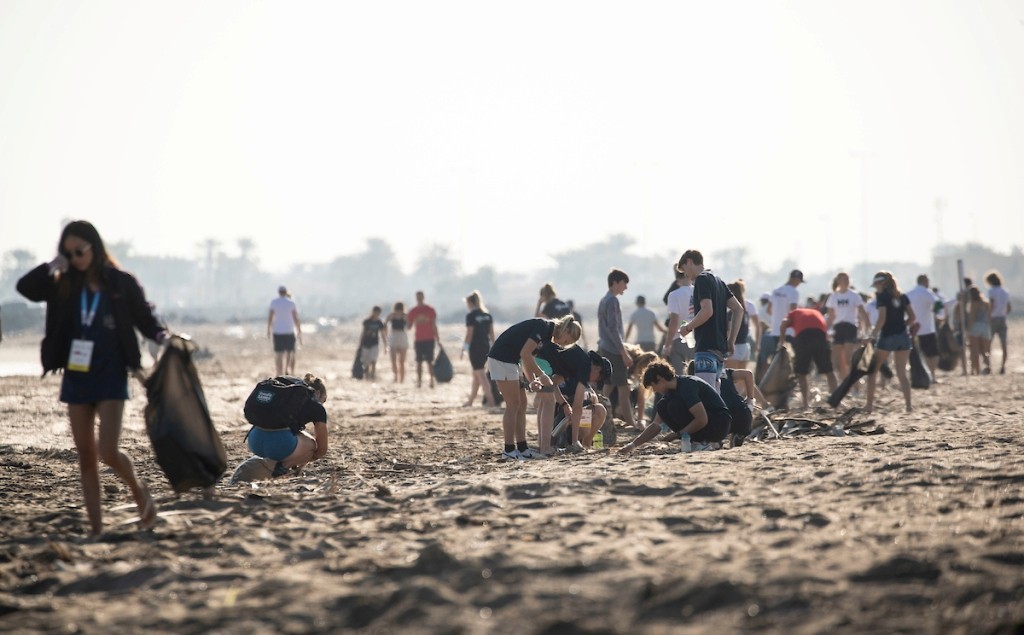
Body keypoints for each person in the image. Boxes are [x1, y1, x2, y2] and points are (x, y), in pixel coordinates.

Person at [16, 220, 168, 537]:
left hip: (111, 373)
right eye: (68, 253)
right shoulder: (63, 283)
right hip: (76, 375)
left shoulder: (120, 281)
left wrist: (162, 336)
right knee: (85, 454)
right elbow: (25, 288)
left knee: (108, 451)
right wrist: (52, 265)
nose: (74, 258)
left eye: (79, 251)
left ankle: (140, 493)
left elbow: (144, 317)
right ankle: (96, 529)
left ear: (94, 247)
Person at [487, 315, 582, 459]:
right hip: (501, 359)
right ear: (566, 331)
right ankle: (508, 450)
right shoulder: (543, 326)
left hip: (512, 362)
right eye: (566, 341)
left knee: (522, 404)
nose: (563, 344)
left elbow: (527, 359)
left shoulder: (547, 337)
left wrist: (532, 380)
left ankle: (523, 449)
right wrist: (541, 375)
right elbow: (525, 354)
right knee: (513, 405)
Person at [618, 361, 732, 454]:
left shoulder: (687, 386)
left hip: (719, 424)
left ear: (660, 378)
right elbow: (655, 425)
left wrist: (678, 434)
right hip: (708, 423)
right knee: (663, 406)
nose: (655, 390)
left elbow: (702, 419)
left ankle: (702, 442)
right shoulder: (671, 394)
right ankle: (696, 441)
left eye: (654, 386)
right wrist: (632, 445)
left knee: (673, 405)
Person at [675, 250, 744, 392]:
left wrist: (687, 328)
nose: (686, 276)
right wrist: (731, 340)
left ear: (689, 262)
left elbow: (707, 311)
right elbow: (738, 309)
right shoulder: (718, 280)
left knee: (706, 396)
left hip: (706, 347)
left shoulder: (701, 279)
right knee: (716, 397)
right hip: (719, 350)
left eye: (685, 271)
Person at [245, 374, 329, 476]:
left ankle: (271, 462)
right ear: (318, 393)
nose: (322, 404)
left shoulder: (286, 395)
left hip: (254, 441)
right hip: (280, 444)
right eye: (323, 400)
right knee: (311, 445)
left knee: (291, 434)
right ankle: (282, 467)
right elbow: (322, 450)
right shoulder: (315, 406)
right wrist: (302, 458)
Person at [538, 345, 610, 451]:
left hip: (574, 422)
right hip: (557, 422)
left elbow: (591, 397)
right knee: (580, 413)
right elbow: (550, 385)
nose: (595, 382)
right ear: (597, 369)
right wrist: (563, 403)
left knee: (599, 409)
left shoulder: (583, 377)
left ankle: (585, 444)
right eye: (598, 379)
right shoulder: (572, 369)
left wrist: (591, 396)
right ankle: (552, 442)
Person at [864, 271, 917, 414]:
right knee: (902, 373)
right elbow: (912, 317)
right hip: (903, 336)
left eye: (876, 284)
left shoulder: (882, 297)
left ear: (882, 283)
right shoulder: (903, 296)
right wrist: (901, 325)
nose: (875, 288)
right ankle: (908, 406)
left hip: (887, 336)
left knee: (873, 371)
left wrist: (872, 335)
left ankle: (869, 406)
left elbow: (882, 319)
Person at [778, 307, 839, 410]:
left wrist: (781, 342)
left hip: (804, 336)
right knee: (829, 370)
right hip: (820, 335)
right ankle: (836, 401)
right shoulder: (815, 312)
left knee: (802, 372)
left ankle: (805, 404)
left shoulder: (793, 313)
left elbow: (784, 323)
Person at [597, 268, 636, 428]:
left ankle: (598, 418)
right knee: (624, 388)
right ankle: (631, 423)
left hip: (605, 347)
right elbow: (613, 329)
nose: (625, 288)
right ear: (615, 283)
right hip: (613, 350)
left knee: (608, 386)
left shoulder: (604, 300)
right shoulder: (612, 300)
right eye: (624, 284)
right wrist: (624, 352)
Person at [825, 272, 870, 382]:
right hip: (838, 327)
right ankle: (843, 382)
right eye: (843, 279)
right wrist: (825, 330)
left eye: (847, 279)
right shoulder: (833, 297)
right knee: (836, 360)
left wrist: (867, 328)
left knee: (847, 359)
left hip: (850, 327)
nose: (845, 281)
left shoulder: (854, 295)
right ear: (838, 281)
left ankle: (853, 383)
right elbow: (831, 317)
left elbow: (862, 312)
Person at [758, 270, 802, 378]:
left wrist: (778, 316)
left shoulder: (776, 290)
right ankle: (788, 384)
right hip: (789, 331)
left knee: (777, 359)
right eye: (799, 281)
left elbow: (769, 310)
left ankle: (774, 382)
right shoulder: (793, 292)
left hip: (775, 330)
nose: (799, 284)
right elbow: (793, 311)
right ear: (796, 279)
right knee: (791, 360)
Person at [461, 290, 498, 408]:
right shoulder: (487, 315)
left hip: (475, 347)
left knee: (480, 374)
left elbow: (469, 333)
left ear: (470, 303)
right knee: (476, 374)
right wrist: (494, 347)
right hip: (486, 346)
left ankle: (491, 401)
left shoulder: (471, 316)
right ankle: (471, 400)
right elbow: (492, 334)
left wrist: (464, 347)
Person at [904, 274, 942, 380]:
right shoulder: (926, 292)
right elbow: (938, 303)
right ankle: (932, 375)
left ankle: (917, 375)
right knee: (932, 354)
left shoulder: (909, 293)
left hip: (912, 327)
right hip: (927, 328)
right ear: (925, 281)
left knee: (914, 354)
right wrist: (936, 313)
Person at [662, 267, 694, 375]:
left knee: (680, 376)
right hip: (696, 338)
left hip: (678, 339)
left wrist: (667, 345)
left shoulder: (674, 295)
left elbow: (674, 321)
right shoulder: (698, 291)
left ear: (677, 280)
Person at [407, 291, 440, 388]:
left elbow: (434, 325)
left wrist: (437, 338)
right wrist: (409, 320)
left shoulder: (430, 309)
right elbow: (409, 326)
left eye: (421, 297)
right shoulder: (413, 311)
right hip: (419, 339)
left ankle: (431, 380)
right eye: (418, 297)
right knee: (419, 361)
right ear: (416, 298)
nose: (419, 299)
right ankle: (419, 381)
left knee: (430, 361)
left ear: (423, 297)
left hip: (429, 338)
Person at [267, 285, 302, 376]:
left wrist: (268, 329)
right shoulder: (291, 303)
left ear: (278, 292)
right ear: (286, 292)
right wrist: (299, 330)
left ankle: (279, 373)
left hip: (278, 331)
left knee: (279, 354)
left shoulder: (274, 302)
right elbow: (296, 318)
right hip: (289, 330)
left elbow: (271, 317)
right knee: (289, 352)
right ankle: (287, 369)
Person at [725, 280, 756, 370]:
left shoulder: (733, 313)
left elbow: (729, 331)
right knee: (741, 381)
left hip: (734, 348)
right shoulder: (744, 311)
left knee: (731, 378)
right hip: (745, 347)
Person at [986, 271, 1011, 375]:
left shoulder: (991, 291)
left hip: (993, 319)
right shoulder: (1005, 291)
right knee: (1003, 344)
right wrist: (1003, 314)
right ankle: (1003, 366)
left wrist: (989, 316)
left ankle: (988, 366)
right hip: (1002, 318)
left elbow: (991, 305)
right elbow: (1009, 307)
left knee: (988, 343)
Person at [965, 285, 992, 375]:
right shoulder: (986, 302)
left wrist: (968, 330)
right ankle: (988, 367)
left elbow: (972, 318)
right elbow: (989, 316)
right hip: (985, 327)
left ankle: (976, 370)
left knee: (975, 350)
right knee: (985, 351)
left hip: (975, 327)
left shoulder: (973, 303)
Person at [358, 306, 387, 381]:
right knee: (366, 362)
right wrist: (360, 344)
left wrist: (385, 344)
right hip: (366, 343)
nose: (377, 314)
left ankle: (373, 376)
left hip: (375, 344)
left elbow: (383, 334)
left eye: (378, 312)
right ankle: (367, 376)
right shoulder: (367, 322)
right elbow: (363, 333)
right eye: (376, 312)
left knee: (373, 360)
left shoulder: (379, 322)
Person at [384, 302, 409, 383]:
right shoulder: (392, 315)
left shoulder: (404, 316)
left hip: (400, 335)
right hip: (396, 335)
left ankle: (400, 378)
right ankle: (396, 377)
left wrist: (386, 333)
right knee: (395, 360)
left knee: (400, 361)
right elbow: (385, 324)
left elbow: (409, 325)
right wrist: (386, 333)